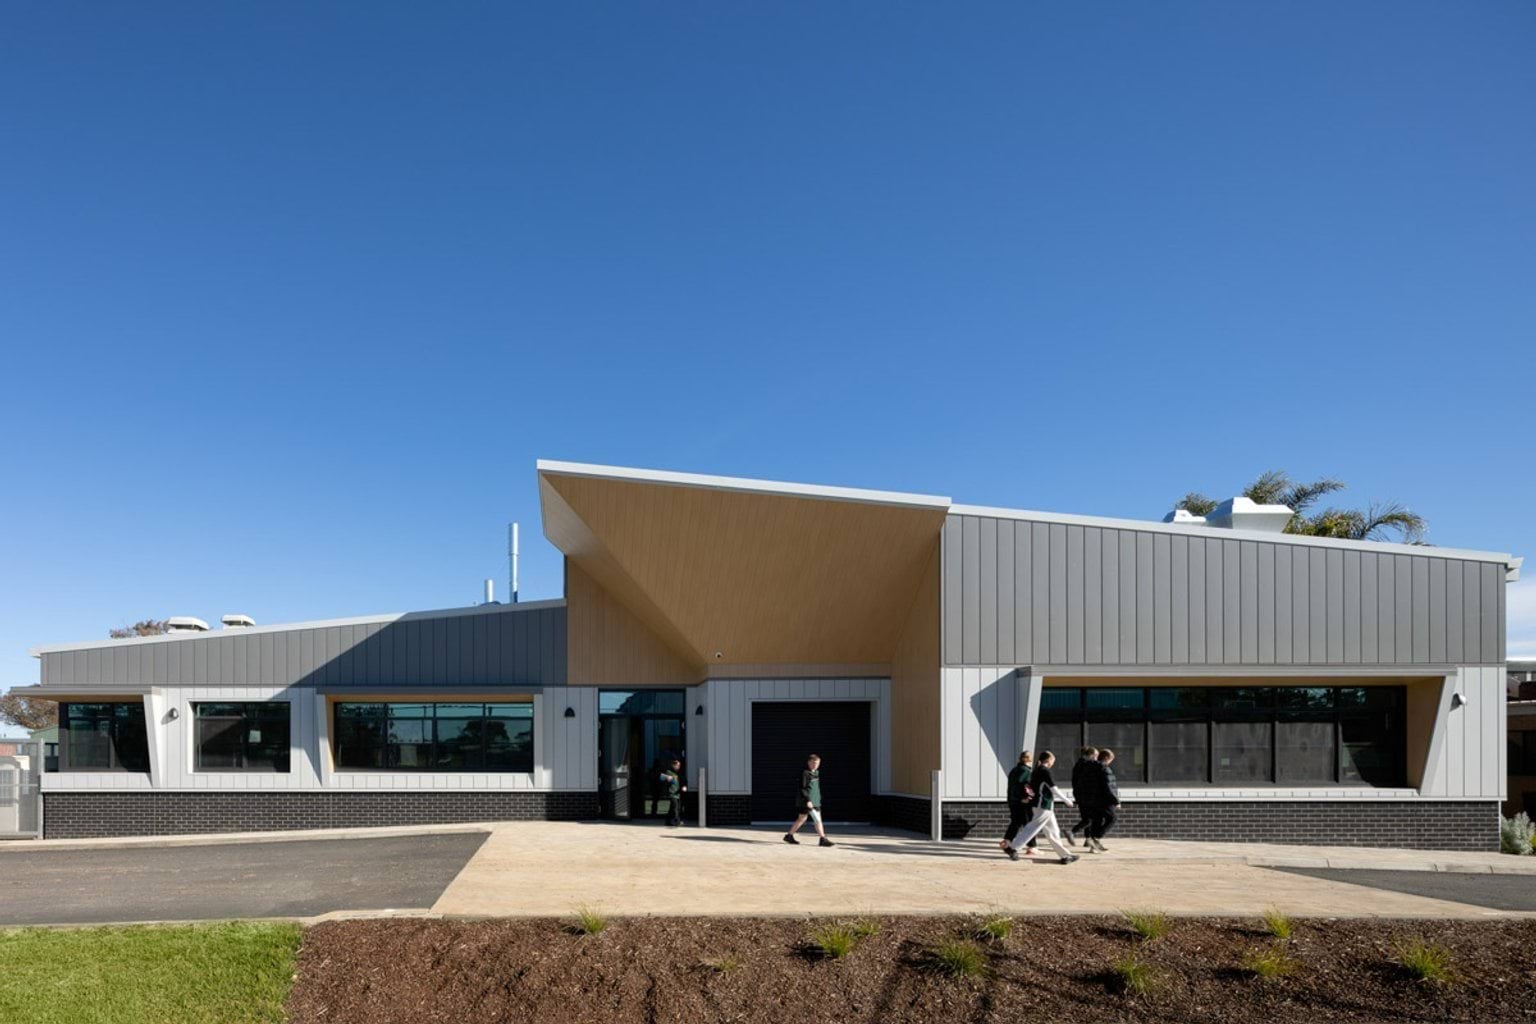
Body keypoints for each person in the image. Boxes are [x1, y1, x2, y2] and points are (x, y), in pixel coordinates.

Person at [1003, 750, 1079, 864]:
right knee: (1032, 828)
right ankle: (1012, 848)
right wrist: (1067, 800)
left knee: (1053, 832)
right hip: (1043, 804)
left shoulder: (1036, 770)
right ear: (1049, 760)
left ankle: (1065, 855)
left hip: (1041, 804)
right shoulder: (1045, 771)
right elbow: (1053, 788)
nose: (1054, 763)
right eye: (1053, 760)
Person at [783, 753, 834, 847]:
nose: (815, 765)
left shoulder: (816, 772)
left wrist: (818, 798)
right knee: (817, 820)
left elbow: (814, 787)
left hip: (815, 801)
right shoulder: (805, 773)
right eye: (813, 763)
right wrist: (808, 800)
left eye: (817, 763)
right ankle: (823, 839)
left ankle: (789, 836)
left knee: (802, 819)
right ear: (808, 763)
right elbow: (803, 788)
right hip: (807, 802)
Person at [997, 751, 1034, 859]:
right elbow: (1022, 786)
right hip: (1021, 802)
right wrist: (1025, 798)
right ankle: (1032, 847)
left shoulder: (1014, 770)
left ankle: (1007, 841)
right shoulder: (1025, 771)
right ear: (1030, 760)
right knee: (1028, 824)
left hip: (1013, 801)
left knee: (1016, 822)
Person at [1085, 748, 1121, 852]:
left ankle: (1094, 847)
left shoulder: (1090, 768)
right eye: (1111, 759)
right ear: (1106, 758)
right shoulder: (1105, 769)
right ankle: (1096, 837)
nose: (1111, 762)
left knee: (1097, 821)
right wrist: (1116, 801)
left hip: (1093, 800)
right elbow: (1109, 787)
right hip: (1104, 800)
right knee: (1112, 818)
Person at [1066, 746, 1099, 845]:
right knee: (1089, 819)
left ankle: (1088, 839)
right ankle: (1072, 832)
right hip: (1086, 795)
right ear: (1093, 755)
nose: (1097, 758)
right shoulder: (1086, 764)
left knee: (1086, 817)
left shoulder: (1080, 763)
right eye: (1096, 756)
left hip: (1080, 794)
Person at [658, 757, 686, 827]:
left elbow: (682, 781)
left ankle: (667, 821)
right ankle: (677, 821)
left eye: (679, 765)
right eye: (677, 765)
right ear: (673, 765)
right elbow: (661, 779)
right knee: (675, 808)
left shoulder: (679, 773)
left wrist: (684, 786)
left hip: (678, 793)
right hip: (672, 793)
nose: (679, 767)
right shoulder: (669, 772)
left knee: (672, 808)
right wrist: (667, 778)